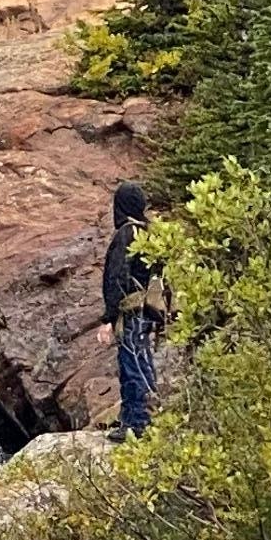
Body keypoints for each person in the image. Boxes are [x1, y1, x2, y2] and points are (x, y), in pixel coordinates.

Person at [102, 180, 167, 437]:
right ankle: (145, 418)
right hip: (148, 309)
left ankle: (136, 423)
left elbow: (117, 277)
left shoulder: (126, 234)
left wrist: (109, 317)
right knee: (143, 362)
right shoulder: (149, 232)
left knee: (131, 364)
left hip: (130, 310)